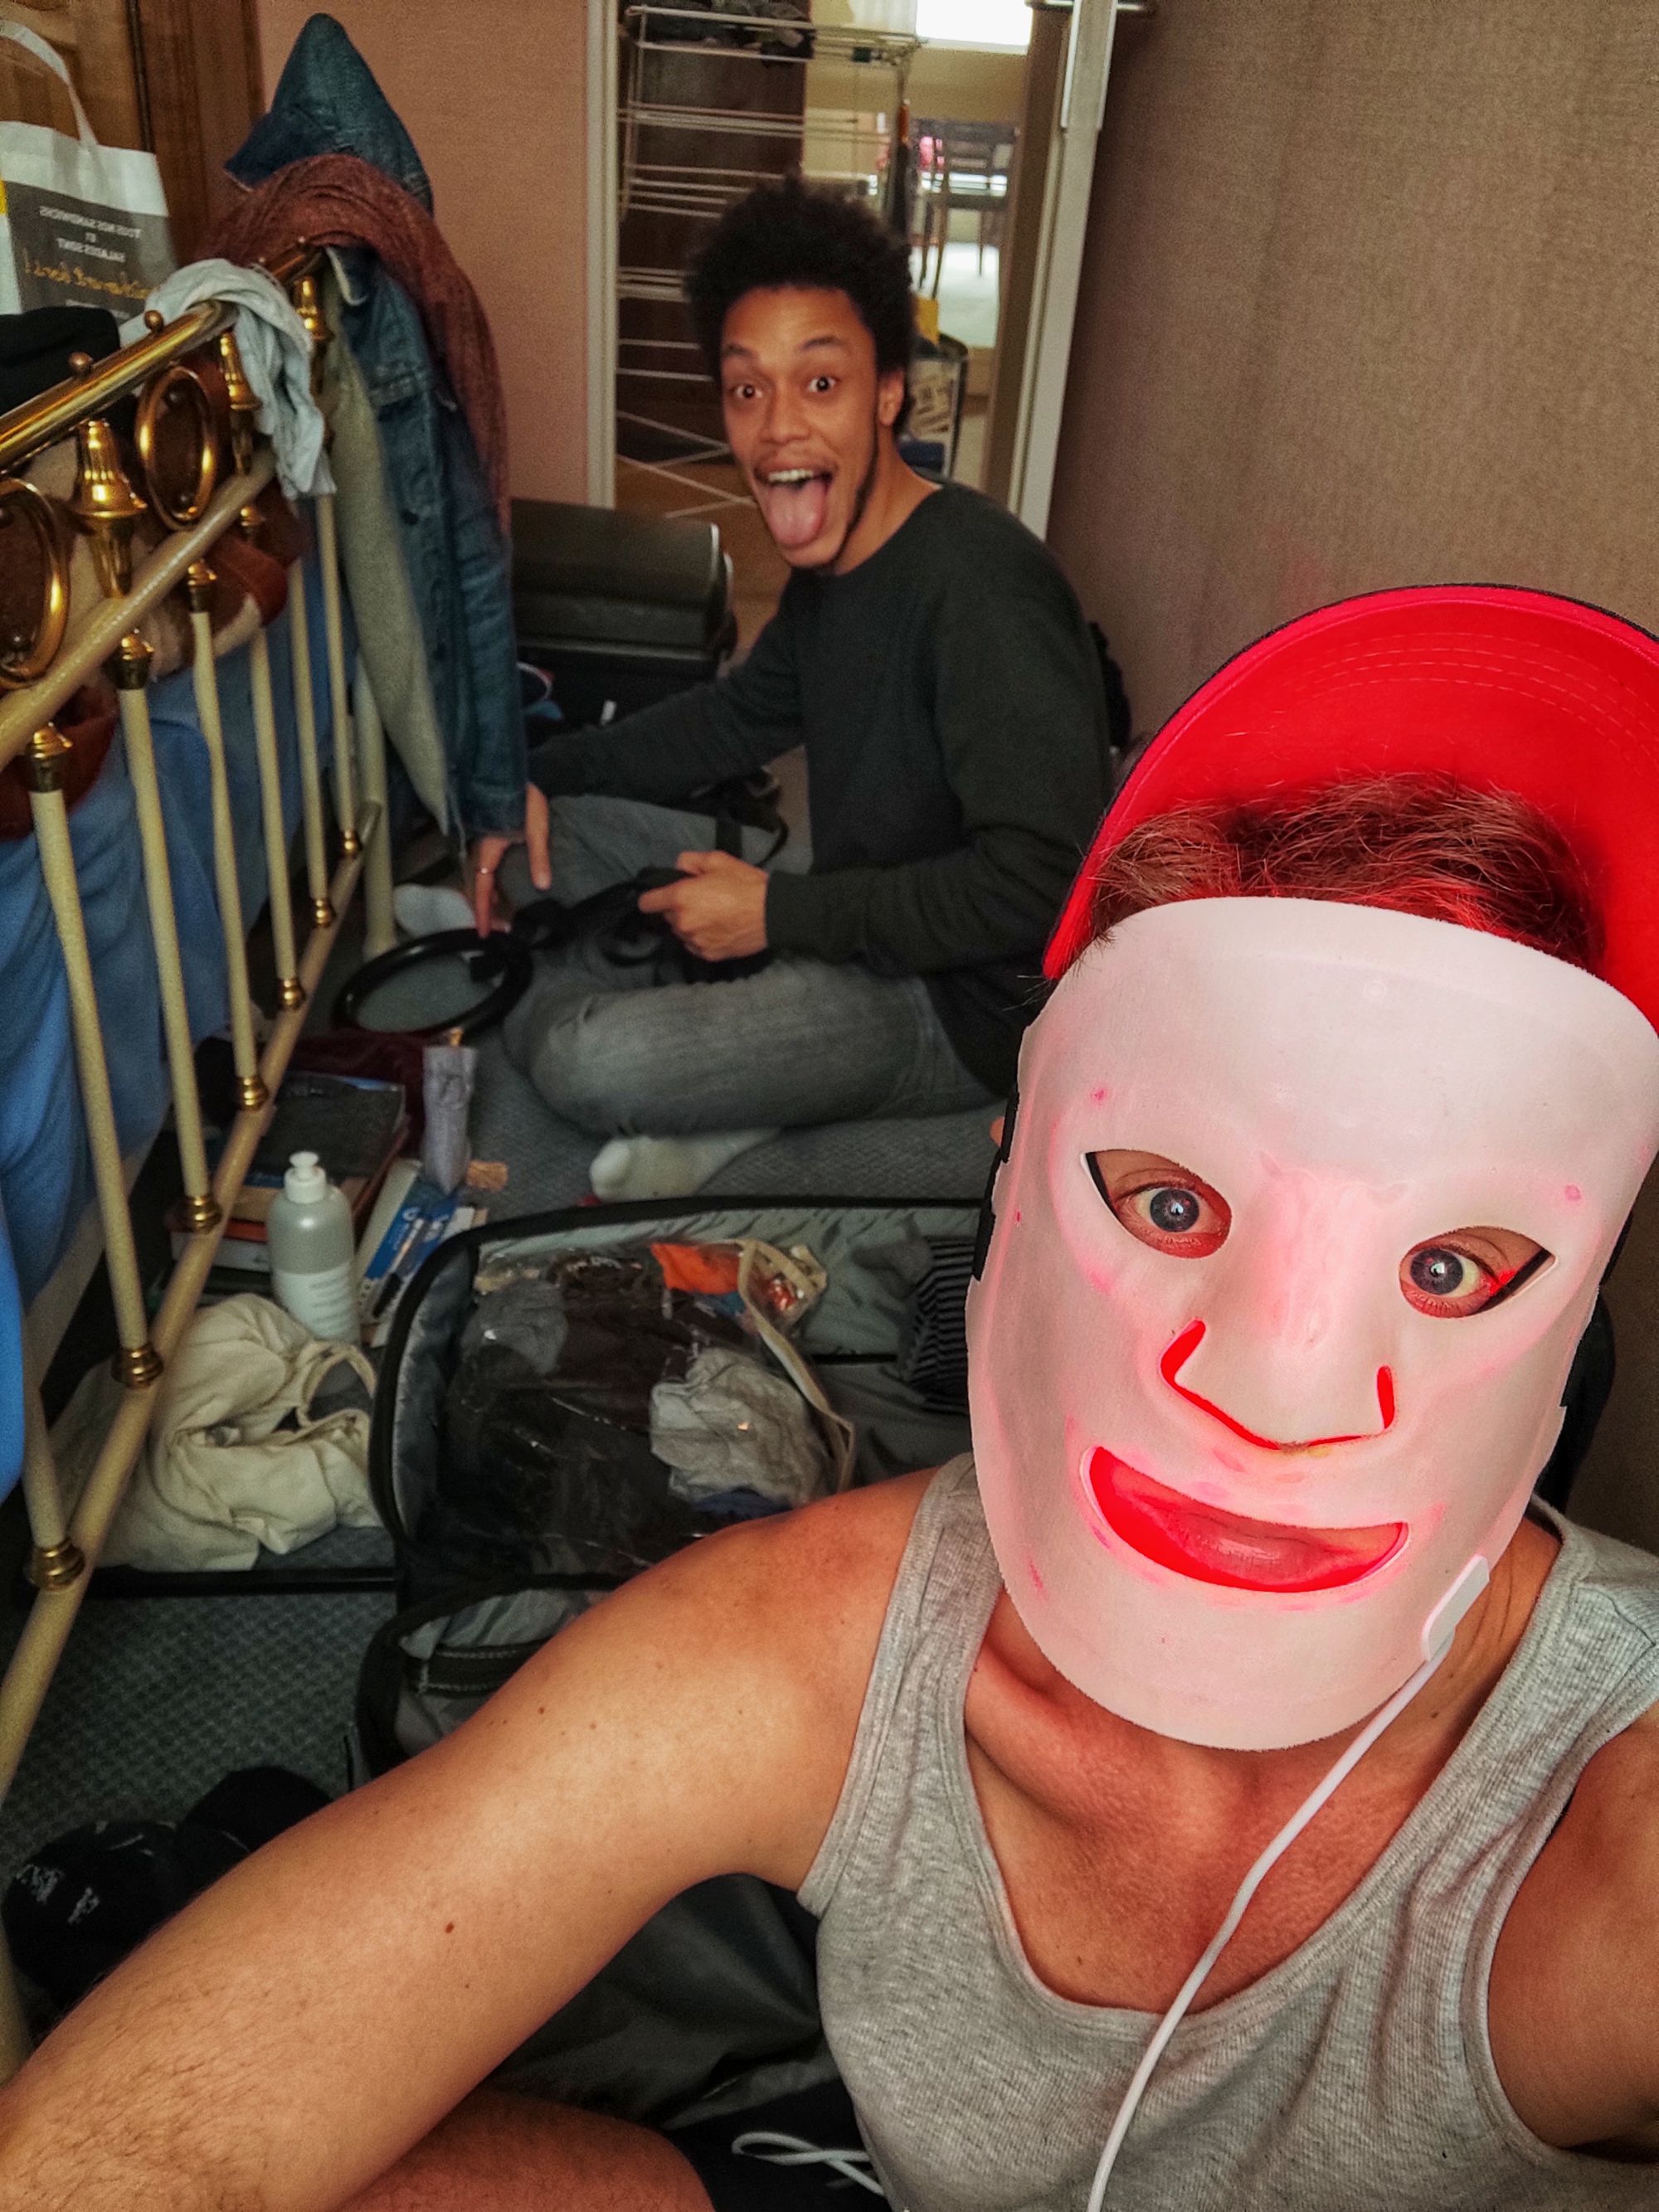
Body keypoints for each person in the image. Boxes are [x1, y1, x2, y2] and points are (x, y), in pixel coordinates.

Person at [7, 586, 1659, 2212]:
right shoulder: (813, 1641)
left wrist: (790, 913)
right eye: (1169, 1204)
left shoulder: (1613, 1806)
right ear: (1012, 1188)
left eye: (1450, 1265)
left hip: (917, 995)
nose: (1276, 1396)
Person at [481, 177, 1112, 1201]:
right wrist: (532, 777)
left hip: (956, 1007)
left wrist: (778, 915)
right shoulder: (832, 572)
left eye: (820, 383)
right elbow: (729, 719)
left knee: (588, 1061)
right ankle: (729, 1072)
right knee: (545, 833)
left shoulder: (984, 590)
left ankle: (621, 1027)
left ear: (888, 394)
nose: (778, 427)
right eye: (747, 390)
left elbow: (1041, 887)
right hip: (853, 897)